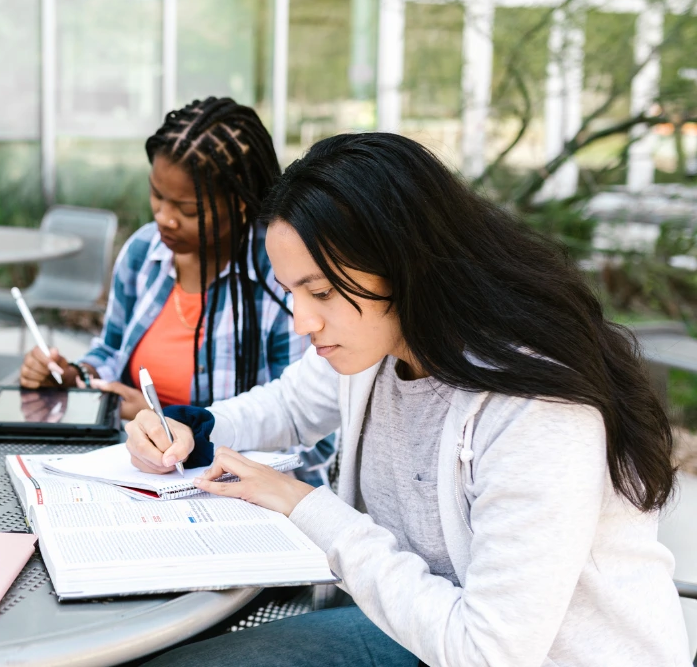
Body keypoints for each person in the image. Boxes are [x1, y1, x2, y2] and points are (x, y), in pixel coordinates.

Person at [128, 133, 691, 666]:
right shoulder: (378, 340)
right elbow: (289, 407)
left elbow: (487, 653)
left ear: (405, 264)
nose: (302, 321)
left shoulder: (535, 409)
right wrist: (189, 429)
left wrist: (308, 508)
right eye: (292, 291)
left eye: (321, 291)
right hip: (419, 633)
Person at [19, 97, 334, 484]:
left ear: (238, 203)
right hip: (141, 477)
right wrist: (75, 377)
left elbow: (309, 431)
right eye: (157, 196)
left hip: (242, 495)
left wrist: (172, 422)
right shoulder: (143, 254)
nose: (164, 218)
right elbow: (112, 351)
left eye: (187, 210)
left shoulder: (280, 275)